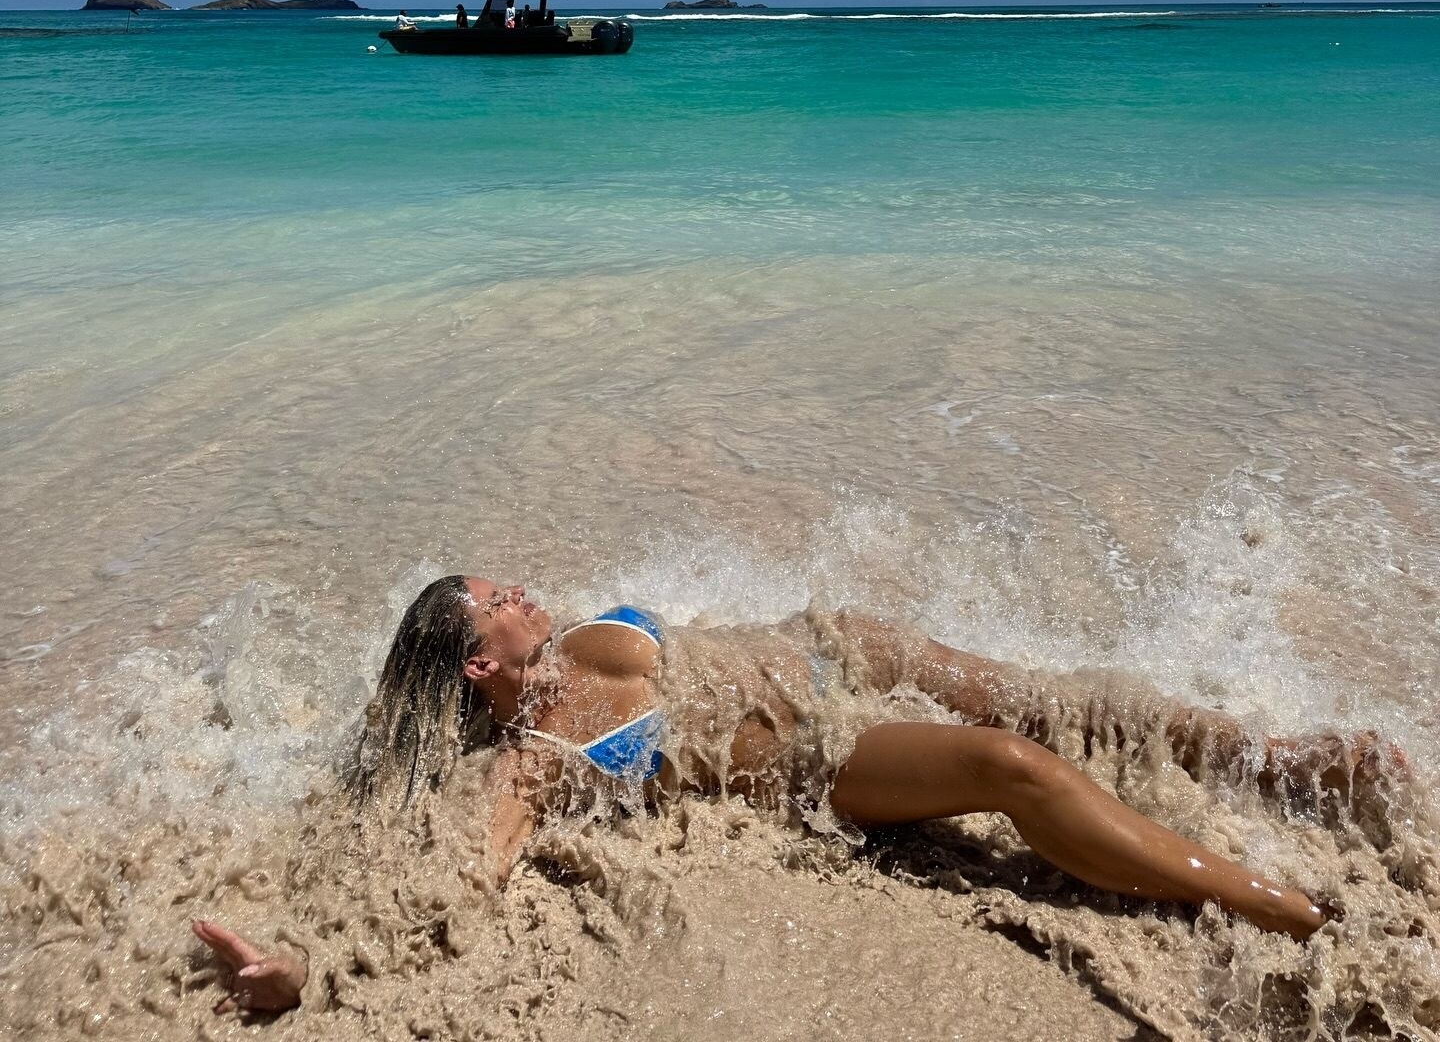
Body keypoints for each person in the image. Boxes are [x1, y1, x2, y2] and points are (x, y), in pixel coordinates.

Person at [194, 577, 1402, 1013]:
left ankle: (1283, 761)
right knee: (1009, 766)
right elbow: (459, 881)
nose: (521, 588)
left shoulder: (577, 636)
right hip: (823, 754)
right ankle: (1279, 906)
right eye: (498, 597)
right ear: (477, 664)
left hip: (841, 647)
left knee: (1064, 701)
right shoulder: (535, 755)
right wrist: (310, 972)